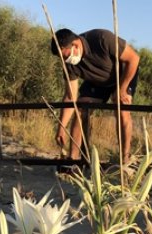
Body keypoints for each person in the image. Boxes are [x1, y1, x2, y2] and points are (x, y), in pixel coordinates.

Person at [50, 28, 140, 165]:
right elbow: (70, 97)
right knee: (81, 108)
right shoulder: (69, 64)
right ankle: (73, 161)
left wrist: (122, 89)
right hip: (98, 81)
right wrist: (61, 127)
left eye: (67, 56)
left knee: (121, 107)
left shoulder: (102, 38)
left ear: (75, 44)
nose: (66, 61)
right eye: (63, 59)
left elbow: (134, 58)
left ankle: (125, 159)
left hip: (123, 74)